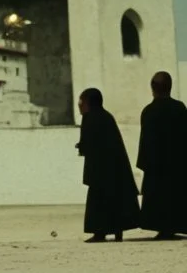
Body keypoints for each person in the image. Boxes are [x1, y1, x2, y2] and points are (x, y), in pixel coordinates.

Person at [77, 88, 140, 242]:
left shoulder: (89, 118)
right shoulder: (106, 116)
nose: (79, 105)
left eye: (82, 101)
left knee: (98, 200)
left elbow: (87, 145)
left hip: (99, 169)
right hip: (115, 168)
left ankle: (100, 232)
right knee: (115, 199)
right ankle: (118, 231)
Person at [136, 72, 187, 239]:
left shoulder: (149, 111)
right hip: (177, 165)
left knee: (158, 198)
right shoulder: (180, 108)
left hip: (156, 166)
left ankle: (162, 227)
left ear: (153, 88)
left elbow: (146, 141)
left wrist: (144, 163)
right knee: (177, 196)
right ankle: (174, 226)